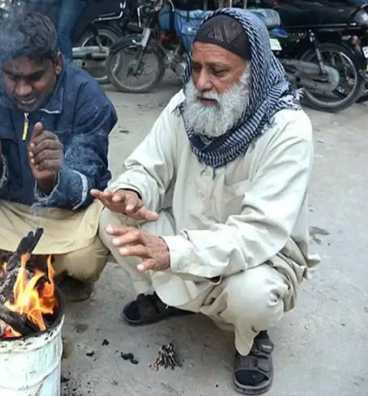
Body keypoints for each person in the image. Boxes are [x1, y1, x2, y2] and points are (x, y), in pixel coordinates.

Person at [94, 9, 318, 395]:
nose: (201, 82)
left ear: (253, 71)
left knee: (253, 296)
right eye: (196, 67)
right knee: (111, 221)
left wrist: (173, 251)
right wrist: (131, 192)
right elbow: (149, 166)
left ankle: (251, 339)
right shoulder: (185, 106)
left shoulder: (287, 130)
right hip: (183, 238)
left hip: (257, 257)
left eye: (218, 71)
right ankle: (170, 297)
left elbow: (258, 232)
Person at [0, 11, 117, 302]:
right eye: (12, 77)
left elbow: (90, 181)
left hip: (64, 214)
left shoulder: (87, 96)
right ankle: (26, 268)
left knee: (85, 260)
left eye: (34, 77)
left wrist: (54, 180)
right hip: (3, 206)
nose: (22, 90)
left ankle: (40, 270)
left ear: (57, 63)